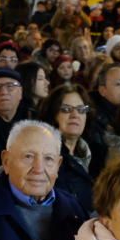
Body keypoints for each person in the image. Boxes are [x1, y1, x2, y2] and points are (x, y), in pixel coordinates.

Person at [38, 83, 105, 214]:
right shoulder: (45, 156)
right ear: (53, 115)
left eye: (81, 109)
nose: (75, 115)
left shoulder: (99, 151)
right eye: (66, 109)